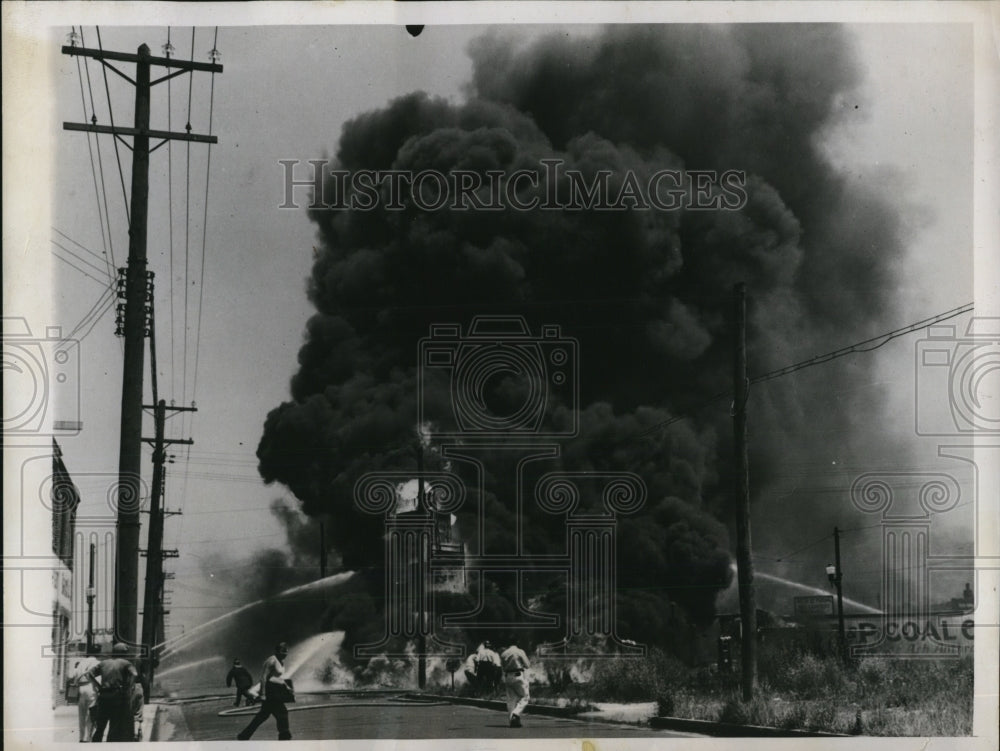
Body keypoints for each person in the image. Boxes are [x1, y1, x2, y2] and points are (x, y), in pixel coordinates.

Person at [237, 642, 293, 741]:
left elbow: (275, 677)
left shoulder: (281, 661)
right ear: (277, 651)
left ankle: (244, 735)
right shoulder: (271, 661)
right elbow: (263, 678)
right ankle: (284, 736)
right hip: (270, 690)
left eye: (286, 652)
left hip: (276, 689)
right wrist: (263, 694)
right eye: (282, 651)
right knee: (282, 712)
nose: (284, 654)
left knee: (263, 715)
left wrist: (285, 685)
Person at [86, 642, 138, 742]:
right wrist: (128, 687)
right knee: (114, 725)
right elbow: (134, 674)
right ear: (123, 653)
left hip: (103, 696)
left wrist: (98, 686)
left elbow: (89, 674)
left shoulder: (104, 663)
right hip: (117, 696)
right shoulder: (125, 663)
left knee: (100, 725)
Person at [72, 645, 101, 743]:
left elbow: (74, 676)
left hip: (81, 688)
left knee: (82, 714)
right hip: (91, 687)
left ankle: (81, 737)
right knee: (91, 714)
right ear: (98, 653)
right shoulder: (97, 663)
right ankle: (89, 737)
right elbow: (98, 678)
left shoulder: (81, 663)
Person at [500, 640, 531, 728]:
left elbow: (502, 666)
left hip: (507, 676)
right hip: (518, 675)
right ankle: (516, 714)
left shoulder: (504, 653)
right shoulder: (519, 651)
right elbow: (527, 665)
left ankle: (512, 721)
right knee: (525, 697)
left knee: (511, 699)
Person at [130, 673, 145, 742]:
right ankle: (136, 733)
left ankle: (134, 733)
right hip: (139, 686)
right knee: (138, 713)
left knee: (130, 712)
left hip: (130, 687)